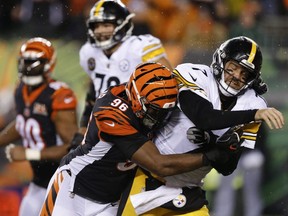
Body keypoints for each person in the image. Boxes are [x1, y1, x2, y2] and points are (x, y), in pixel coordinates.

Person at [39, 62, 234, 216]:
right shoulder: (111, 111)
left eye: (165, 112)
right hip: (73, 190)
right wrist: (209, 156)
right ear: (136, 97)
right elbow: (159, 164)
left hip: (110, 202)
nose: (159, 118)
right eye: (154, 111)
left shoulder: (150, 100)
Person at [118, 36, 285, 215]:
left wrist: (227, 150)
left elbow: (227, 168)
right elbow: (204, 118)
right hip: (147, 177)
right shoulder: (195, 74)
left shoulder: (253, 102)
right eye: (233, 67)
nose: (236, 76)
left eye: (245, 73)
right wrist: (252, 116)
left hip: (188, 191)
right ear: (220, 60)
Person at [72, 0, 173, 147]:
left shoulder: (140, 47)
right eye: (97, 25)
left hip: (137, 125)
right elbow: (93, 95)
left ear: (122, 24)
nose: (100, 31)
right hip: (104, 126)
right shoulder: (89, 52)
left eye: (106, 25)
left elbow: (168, 86)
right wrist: (82, 130)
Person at [0, 37, 78, 216]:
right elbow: (23, 123)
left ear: (49, 64)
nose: (29, 67)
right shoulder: (21, 89)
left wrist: (29, 154)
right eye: (26, 61)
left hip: (63, 184)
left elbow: (74, 148)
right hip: (38, 181)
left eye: (35, 62)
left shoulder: (58, 95)